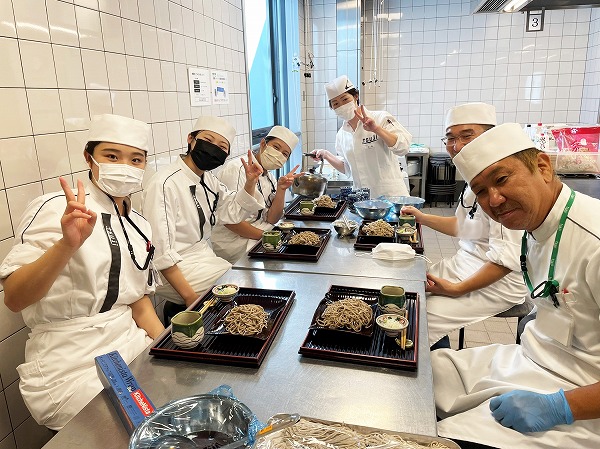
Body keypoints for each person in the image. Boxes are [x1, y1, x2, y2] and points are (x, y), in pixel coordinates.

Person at [432, 123, 600, 448]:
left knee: (438, 439)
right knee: (420, 373)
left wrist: (560, 406)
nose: (494, 200)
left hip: (576, 396)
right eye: (481, 191)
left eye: (502, 179)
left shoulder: (593, 240)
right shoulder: (535, 225)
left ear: (543, 166)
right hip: (528, 359)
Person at [0, 114, 165, 430]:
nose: (125, 166)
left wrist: (168, 348)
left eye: (136, 159)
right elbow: (15, 299)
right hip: (69, 363)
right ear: (89, 158)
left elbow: (139, 302)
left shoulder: (139, 224)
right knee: (140, 430)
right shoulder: (55, 208)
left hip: (129, 343)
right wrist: (67, 245)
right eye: (112, 156)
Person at [401, 103, 527, 349]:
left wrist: (457, 290)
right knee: (410, 291)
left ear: (490, 136)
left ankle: (435, 367)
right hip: (465, 264)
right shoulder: (473, 179)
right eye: (450, 138)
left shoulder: (501, 185)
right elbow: (465, 227)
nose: (457, 146)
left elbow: (505, 260)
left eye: (467, 136)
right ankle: (434, 350)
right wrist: (422, 218)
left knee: (419, 318)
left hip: (499, 283)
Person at [142, 116, 264, 322]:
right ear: (191, 139)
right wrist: (191, 299)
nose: (213, 148)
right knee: (241, 290)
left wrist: (250, 181)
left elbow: (232, 212)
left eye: (222, 146)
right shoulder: (164, 183)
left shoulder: (208, 179)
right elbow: (161, 252)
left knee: (246, 282)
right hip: (171, 269)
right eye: (208, 140)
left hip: (202, 258)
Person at [211, 125, 302, 263]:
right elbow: (230, 222)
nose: (278, 155)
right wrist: (268, 236)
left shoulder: (269, 178)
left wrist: (281, 189)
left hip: (261, 233)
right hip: (235, 242)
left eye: (285, 154)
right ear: (263, 144)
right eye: (276, 147)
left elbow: (272, 219)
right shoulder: (237, 169)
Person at [310, 75, 412, 198]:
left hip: (391, 196)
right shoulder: (341, 135)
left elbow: (403, 147)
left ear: (355, 97)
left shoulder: (380, 118)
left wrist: (376, 129)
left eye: (345, 99)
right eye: (335, 103)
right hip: (362, 200)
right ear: (332, 108)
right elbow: (347, 169)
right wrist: (326, 154)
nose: (341, 105)